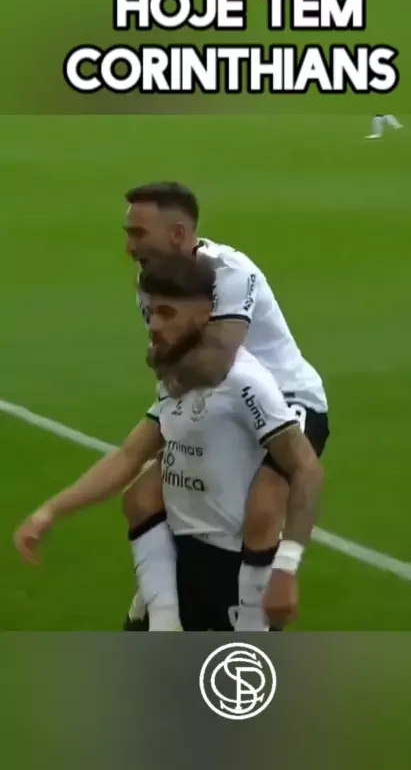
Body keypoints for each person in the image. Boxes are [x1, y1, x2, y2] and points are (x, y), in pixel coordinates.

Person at [14, 254, 323, 631]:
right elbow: (128, 456)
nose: (154, 325)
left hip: (232, 572)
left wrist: (285, 569)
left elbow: (305, 469)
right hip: (178, 560)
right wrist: (49, 512)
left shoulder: (244, 382)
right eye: (150, 312)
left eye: (167, 313)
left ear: (205, 313)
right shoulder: (178, 376)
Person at [122, 181, 330, 631]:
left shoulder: (230, 272)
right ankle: (163, 614)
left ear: (178, 234)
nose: (129, 247)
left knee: (263, 507)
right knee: (142, 498)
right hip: (218, 402)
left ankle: (254, 621)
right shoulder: (152, 282)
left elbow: (213, 363)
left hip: (287, 398)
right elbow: (170, 363)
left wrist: (170, 365)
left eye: (139, 233)